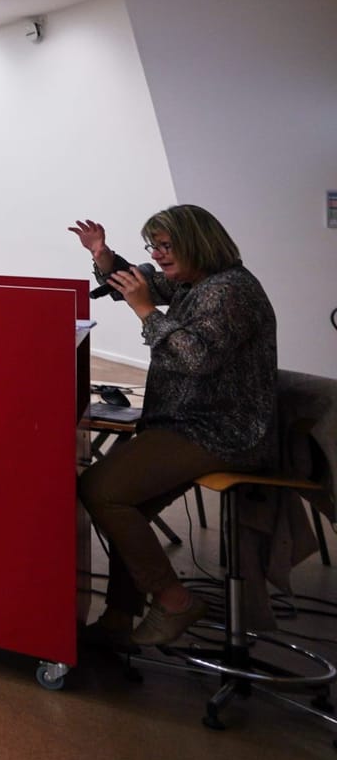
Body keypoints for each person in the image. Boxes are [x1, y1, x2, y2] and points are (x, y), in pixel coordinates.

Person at [74, 208, 279, 647]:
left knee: (101, 490)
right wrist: (103, 256)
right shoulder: (194, 281)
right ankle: (118, 619)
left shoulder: (230, 292)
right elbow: (140, 281)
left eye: (166, 246)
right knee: (128, 504)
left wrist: (145, 310)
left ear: (197, 244)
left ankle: (173, 601)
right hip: (188, 423)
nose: (157, 255)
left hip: (221, 430)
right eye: (155, 246)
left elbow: (195, 358)